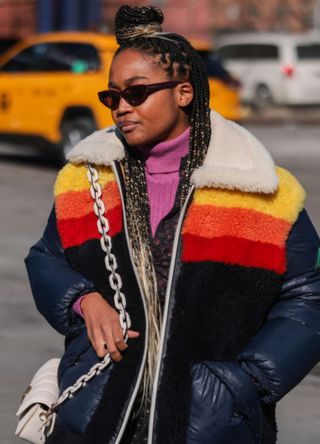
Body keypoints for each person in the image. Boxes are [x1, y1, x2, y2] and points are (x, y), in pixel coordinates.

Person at [25, 5, 320, 444]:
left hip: (211, 426)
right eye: (112, 97)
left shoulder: (257, 185)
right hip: (96, 417)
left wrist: (245, 384)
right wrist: (84, 301)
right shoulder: (87, 177)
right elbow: (46, 258)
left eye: (137, 93)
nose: (121, 107)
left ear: (183, 92)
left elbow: (308, 295)